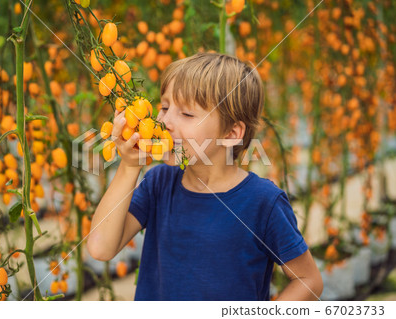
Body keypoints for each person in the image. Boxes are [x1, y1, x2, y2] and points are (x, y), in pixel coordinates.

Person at [87, 52, 323, 301]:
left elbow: (309, 281)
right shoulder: (159, 183)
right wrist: (129, 167)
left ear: (231, 133)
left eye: (186, 114)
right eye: (164, 108)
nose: (164, 121)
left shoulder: (263, 202)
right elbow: (100, 248)